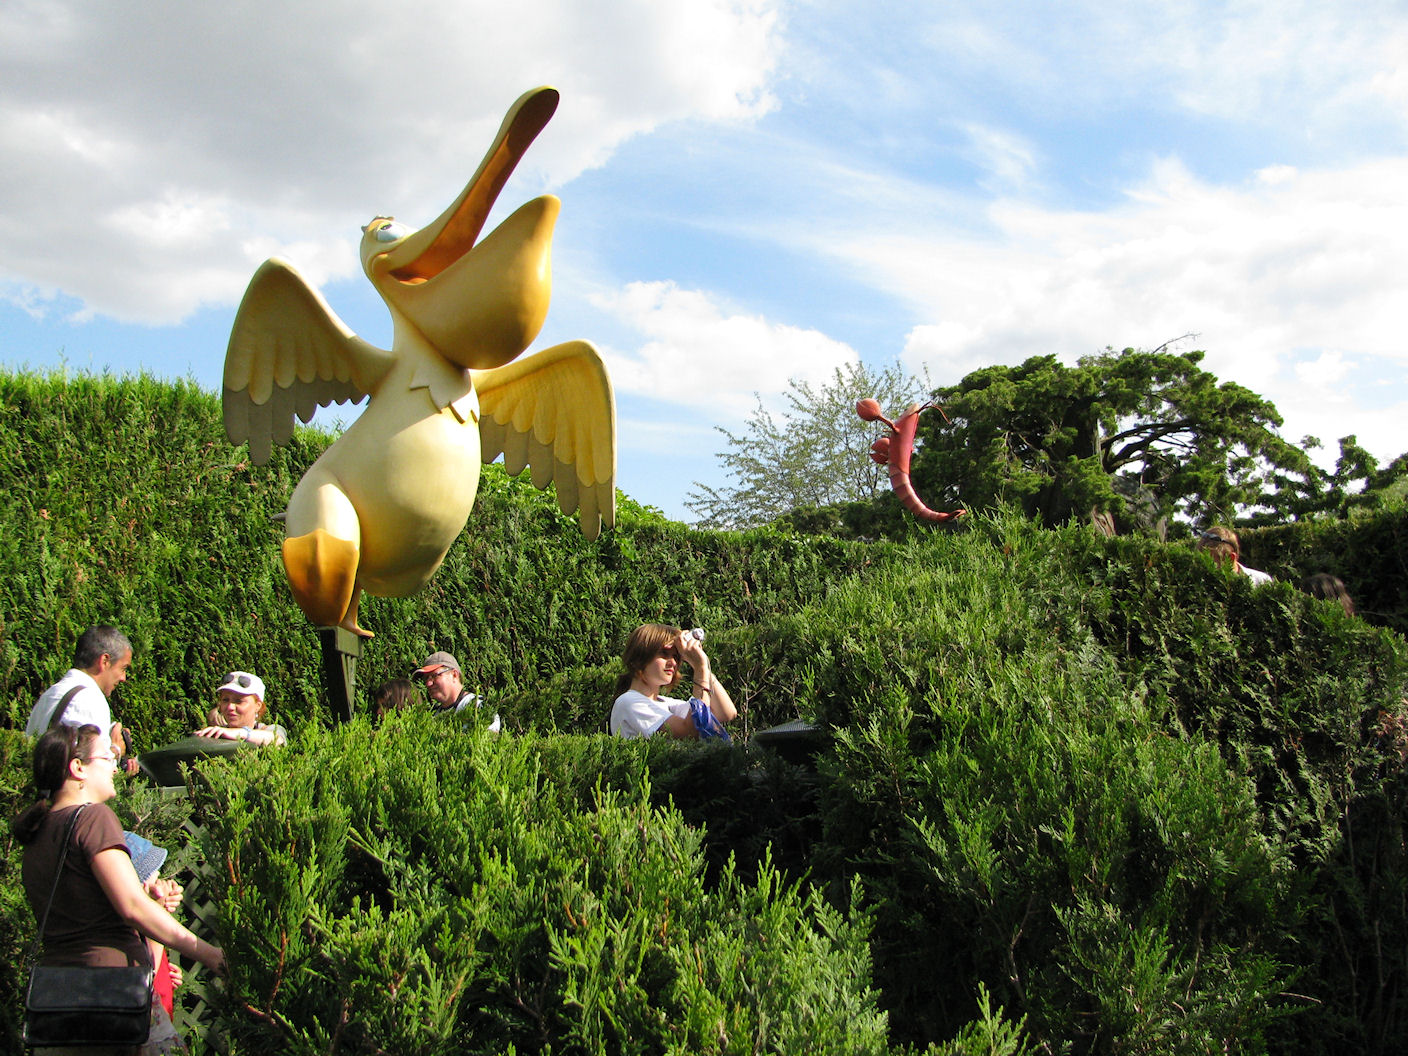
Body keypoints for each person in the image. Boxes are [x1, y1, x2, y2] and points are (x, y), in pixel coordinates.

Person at [12, 725, 224, 1054]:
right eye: (107, 757)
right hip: (114, 995)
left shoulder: (37, 834)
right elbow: (132, 907)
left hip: (58, 1004)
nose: (115, 766)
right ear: (78, 767)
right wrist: (210, 955)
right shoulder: (93, 818)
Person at [26, 625, 138, 771]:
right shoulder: (89, 699)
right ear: (105, 661)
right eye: (123, 668)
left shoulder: (49, 695)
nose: (123, 678)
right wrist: (115, 750)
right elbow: (87, 769)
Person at [609, 624, 737, 740]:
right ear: (639, 658)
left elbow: (726, 713)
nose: (673, 662)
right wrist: (700, 668)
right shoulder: (629, 702)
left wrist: (700, 666)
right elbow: (691, 730)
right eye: (664, 654)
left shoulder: (666, 703)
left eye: (676, 656)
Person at [412, 652, 500, 732]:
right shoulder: (433, 716)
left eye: (434, 676)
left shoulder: (478, 707)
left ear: (454, 675)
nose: (428, 683)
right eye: (426, 678)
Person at [194, 671, 286, 746]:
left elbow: (277, 740)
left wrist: (240, 734)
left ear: (258, 706)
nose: (230, 707)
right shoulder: (215, 734)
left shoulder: (271, 729)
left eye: (239, 701)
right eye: (225, 700)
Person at [1195, 526, 1272, 586]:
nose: (1206, 569)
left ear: (1231, 558)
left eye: (1212, 563)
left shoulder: (1262, 582)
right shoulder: (1199, 587)